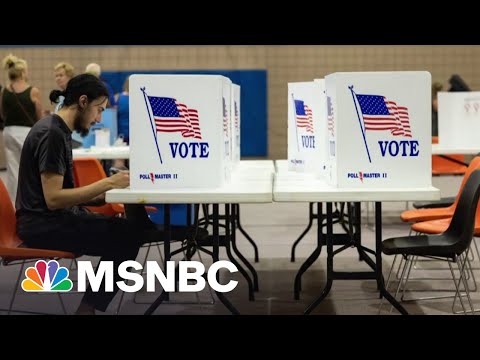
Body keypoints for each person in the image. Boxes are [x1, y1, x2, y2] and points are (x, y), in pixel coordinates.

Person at [15, 74, 165, 315]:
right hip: (41, 225)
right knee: (127, 235)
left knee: (127, 230)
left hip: (49, 218)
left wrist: (104, 195)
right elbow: (53, 199)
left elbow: (59, 195)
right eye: (98, 110)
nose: (98, 119)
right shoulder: (52, 133)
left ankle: (88, 308)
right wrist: (107, 183)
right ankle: (87, 310)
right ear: (83, 101)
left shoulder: (58, 129)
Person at [0, 54, 43, 201]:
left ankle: (13, 203)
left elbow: (2, 113)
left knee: (12, 170)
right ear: (23, 72)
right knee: (31, 168)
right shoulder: (32, 91)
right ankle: (31, 200)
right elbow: (40, 116)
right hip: (26, 133)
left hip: (8, 132)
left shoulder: (4, 91)